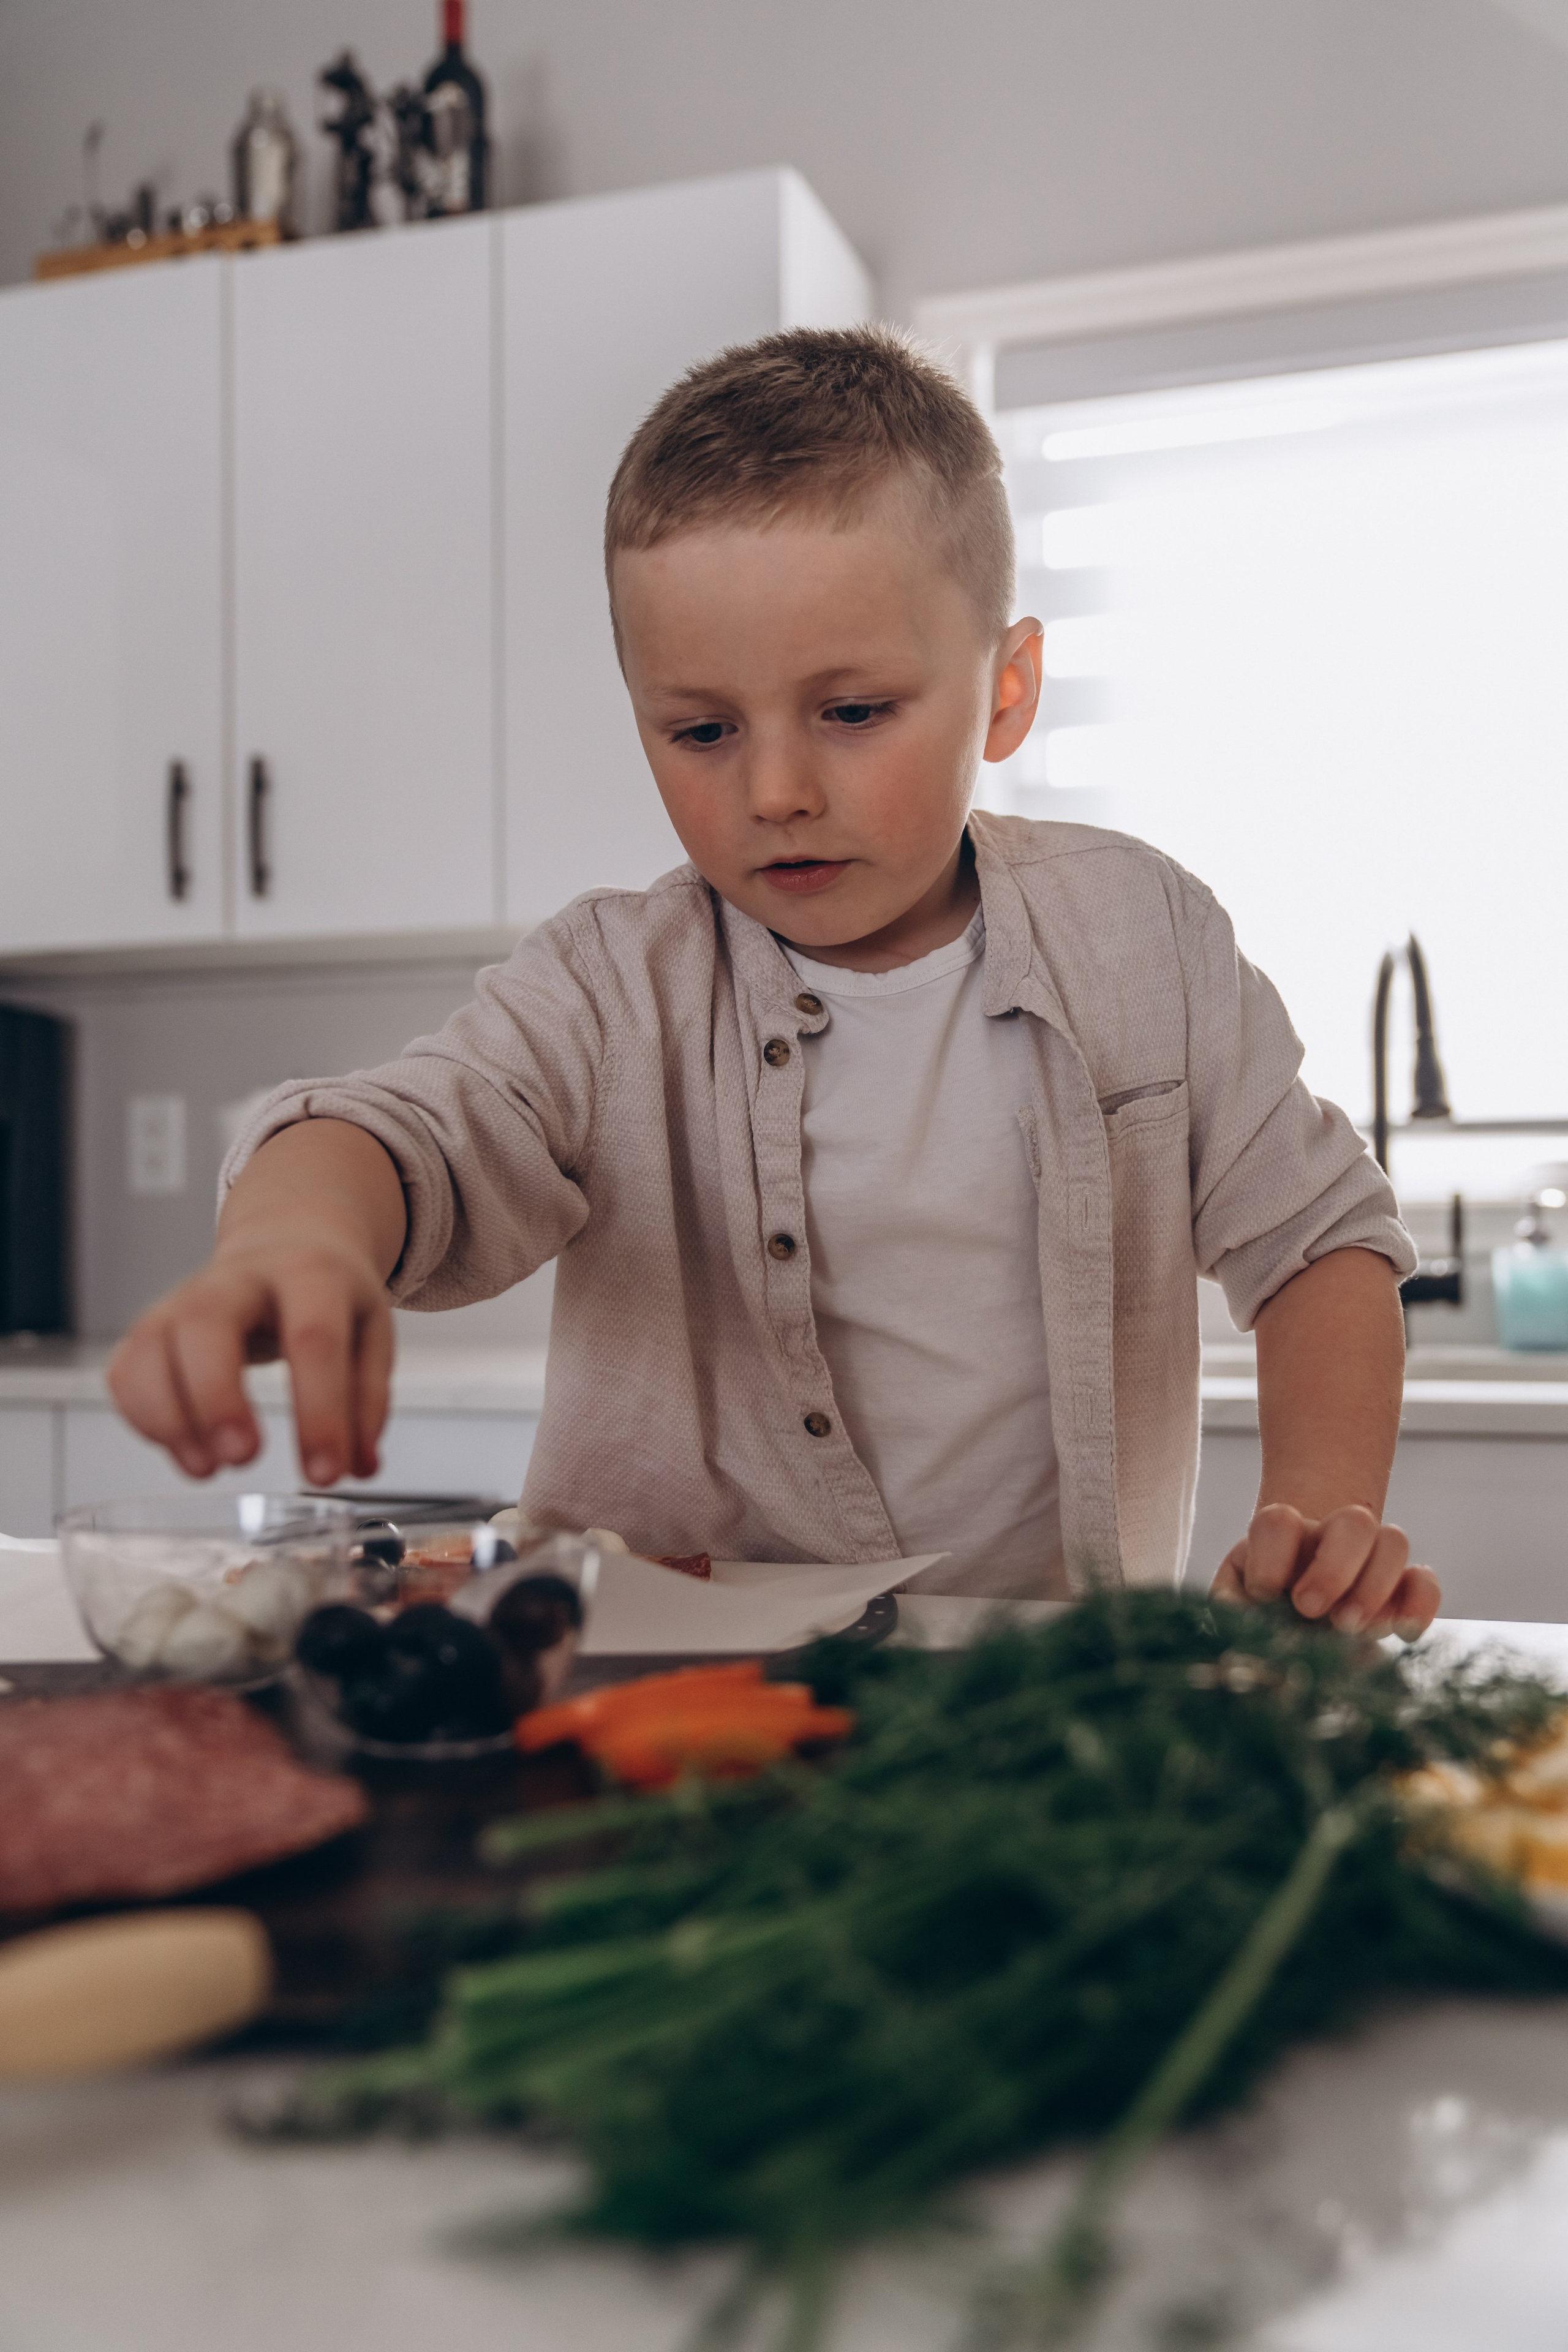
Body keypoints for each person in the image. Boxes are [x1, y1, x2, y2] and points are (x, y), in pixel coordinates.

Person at [108, 326, 1438, 1634]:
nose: (776, 791)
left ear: (1006, 690)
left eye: (851, 712)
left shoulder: (1140, 934)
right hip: (637, 1691)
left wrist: (1318, 1520)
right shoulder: (609, 983)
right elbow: (410, 1129)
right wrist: (298, 1235)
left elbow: (1318, 1240)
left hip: (1027, 1709)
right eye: (699, 730)